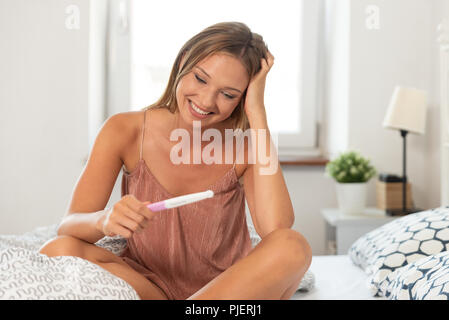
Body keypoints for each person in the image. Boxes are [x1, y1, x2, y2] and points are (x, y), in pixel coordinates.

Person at [39, 22, 312, 300]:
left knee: (293, 245)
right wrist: (104, 220)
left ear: (242, 99)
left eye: (228, 94)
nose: (206, 101)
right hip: (149, 286)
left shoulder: (245, 143)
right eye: (201, 79)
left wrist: (257, 112)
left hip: (228, 288)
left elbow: (276, 229)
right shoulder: (125, 130)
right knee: (58, 247)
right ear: (184, 61)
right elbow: (69, 225)